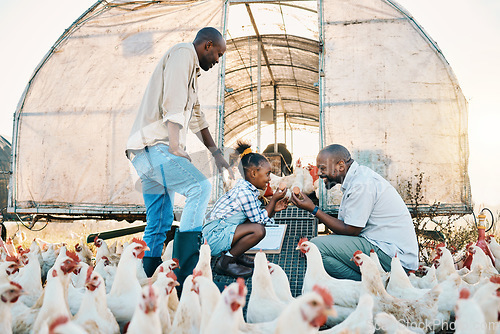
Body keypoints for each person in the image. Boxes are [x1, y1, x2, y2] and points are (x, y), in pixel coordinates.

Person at [126, 27, 234, 288]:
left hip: (144, 156)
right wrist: (175, 145)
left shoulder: (192, 72)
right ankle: (184, 276)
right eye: (218, 54)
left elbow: (197, 117)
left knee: (159, 222)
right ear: (207, 45)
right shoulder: (183, 54)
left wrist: (217, 154)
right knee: (200, 187)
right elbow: (173, 102)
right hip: (156, 148)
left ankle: (145, 280)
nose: (218, 61)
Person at [291, 144, 418, 280]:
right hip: (386, 250)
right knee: (319, 248)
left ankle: (368, 287)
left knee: (316, 248)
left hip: (394, 257)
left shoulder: (361, 184)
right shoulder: (358, 179)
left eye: (323, 168)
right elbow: (346, 228)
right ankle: (370, 285)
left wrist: (313, 209)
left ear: (340, 166)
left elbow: (351, 230)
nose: (319, 173)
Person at [203, 141, 288, 278]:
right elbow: (259, 222)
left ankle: (237, 255)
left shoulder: (247, 189)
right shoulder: (245, 193)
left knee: (251, 222)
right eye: (267, 174)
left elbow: (256, 216)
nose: (269, 179)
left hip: (218, 231)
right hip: (213, 237)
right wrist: (273, 200)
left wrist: (273, 209)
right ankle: (225, 262)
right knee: (259, 231)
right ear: (254, 173)